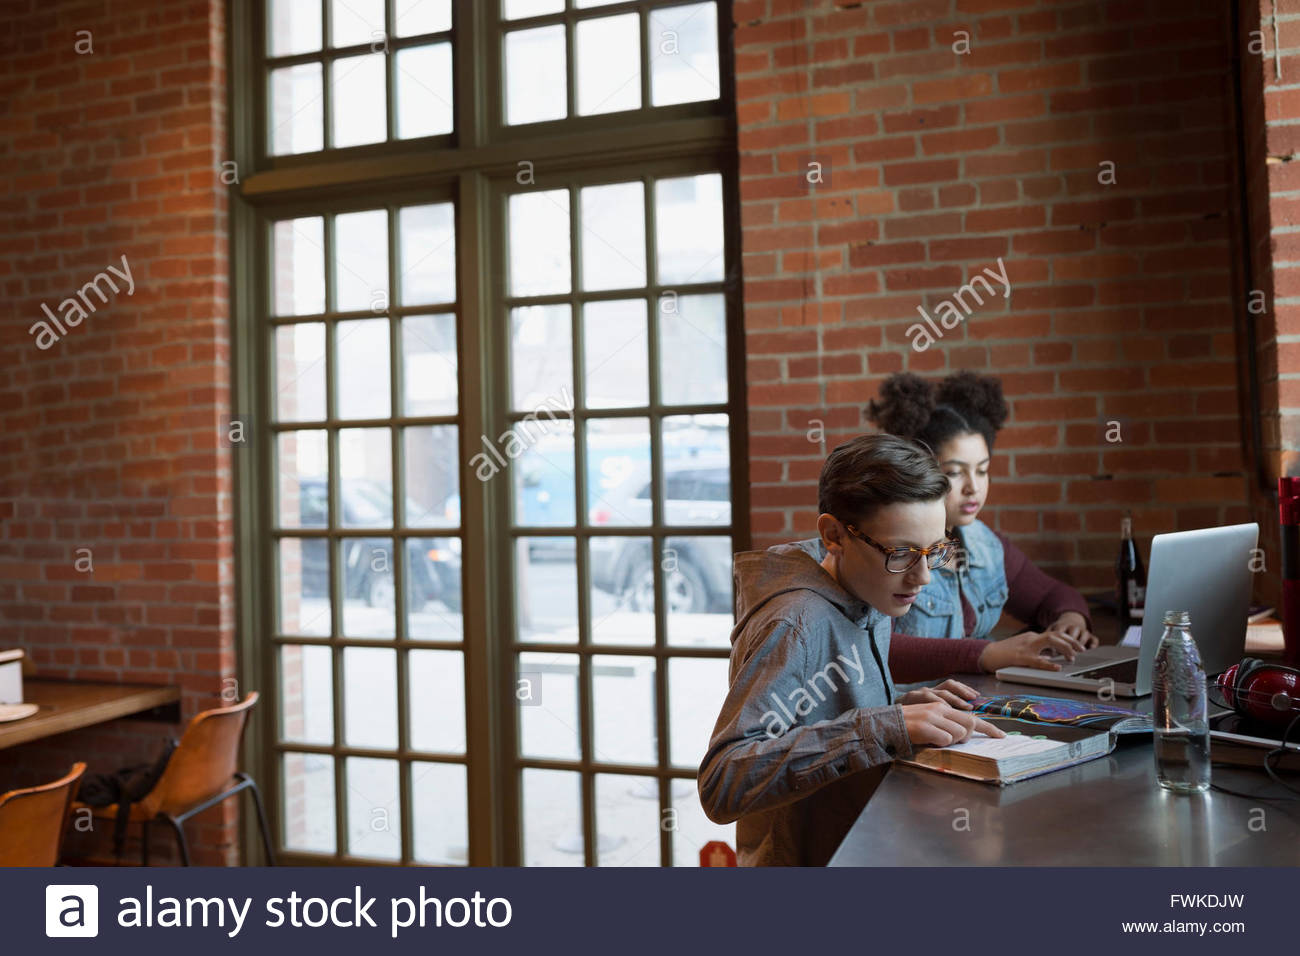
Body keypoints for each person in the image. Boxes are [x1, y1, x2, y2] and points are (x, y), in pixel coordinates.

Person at [697, 434, 1004, 866]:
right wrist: (880, 726)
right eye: (900, 553)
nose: (922, 578)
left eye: (934, 552)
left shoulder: (868, 585)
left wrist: (899, 706)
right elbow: (724, 781)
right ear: (833, 535)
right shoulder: (794, 624)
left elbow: (815, 713)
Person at [866, 372, 1098, 679]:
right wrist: (987, 654)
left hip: (976, 707)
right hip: (914, 711)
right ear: (920, 470)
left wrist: (1071, 620)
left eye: (983, 470)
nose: (973, 487)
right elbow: (880, 649)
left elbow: (1052, 595)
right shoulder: (887, 549)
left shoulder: (985, 545)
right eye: (955, 472)